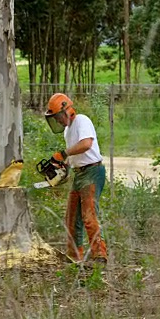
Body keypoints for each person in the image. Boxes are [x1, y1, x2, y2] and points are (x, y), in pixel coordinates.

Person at [44, 93, 108, 264]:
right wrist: (63, 166)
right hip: (80, 173)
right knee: (71, 217)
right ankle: (74, 256)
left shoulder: (82, 121)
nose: (57, 121)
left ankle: (99, 255)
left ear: (66, 111)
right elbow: (74, 154)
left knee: (89, 215)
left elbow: (86, 144)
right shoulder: (67, 130)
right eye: (55, 118)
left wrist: (64, 153)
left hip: (93, 172)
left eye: (58, 117)